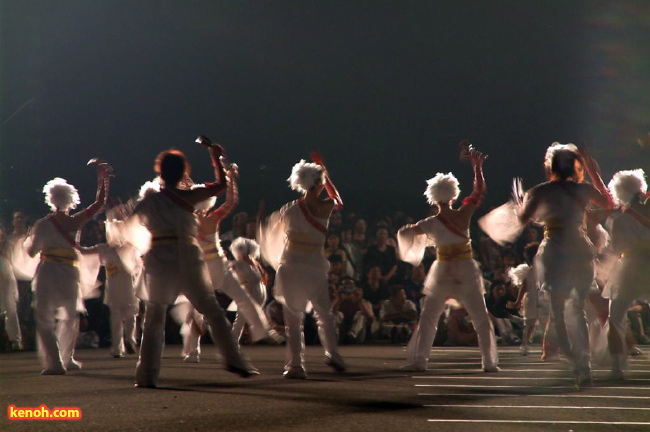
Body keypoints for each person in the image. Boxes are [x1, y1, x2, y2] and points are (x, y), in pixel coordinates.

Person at [124, 143, 257, 388]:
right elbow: (221, 187)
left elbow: (128, 227)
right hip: (187, 257)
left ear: (161, 174)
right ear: (179, 173)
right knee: (212, 311)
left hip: (160, 258)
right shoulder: (188, 196)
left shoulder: (150, 202)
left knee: (154, 317)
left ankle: (145, 376)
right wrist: (215, 158)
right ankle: (235, 360)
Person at [517, 143, 612, 387]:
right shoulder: (583, 190)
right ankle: (583, 365)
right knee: (578, 308)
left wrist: (521, 201)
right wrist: (591, 168)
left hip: (556, 247)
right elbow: (608, 202)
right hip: (579, 247)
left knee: (557, 311)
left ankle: (571, 355)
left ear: (551, 166)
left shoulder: (540, 191)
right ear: (575, 166)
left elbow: (522, 219)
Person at [399, 145, 499, 372]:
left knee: (429, 318)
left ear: (433, 198)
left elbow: (407, 233)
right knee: (480, 318)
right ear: (453, 194)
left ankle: (419, 361)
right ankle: (489, 362)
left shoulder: (429, 223)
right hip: (465, 269)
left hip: (442, 270)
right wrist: (477, 168)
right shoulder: (463, 214)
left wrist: (405, 234)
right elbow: (479, 192)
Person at [258, 156, 346, 379]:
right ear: (319, 184)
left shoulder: (288, 209)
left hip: (290, 266)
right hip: (314, 267)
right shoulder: (326, 206)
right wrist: (326, 174)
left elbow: (272, 232)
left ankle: (295, 365)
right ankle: (333, 354)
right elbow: (338, 200)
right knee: (324, 315)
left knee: (293, 320)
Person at [25, 164, 111, 375]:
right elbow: (99, 203)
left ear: (51, 199)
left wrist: (28, 240)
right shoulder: (75, 221)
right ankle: (68, 358)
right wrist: (103, 178)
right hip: (70, 272)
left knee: (44, 317)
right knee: (70, 316)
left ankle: (55, 363)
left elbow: (31, 252)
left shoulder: (42, 224)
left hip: (48, 271)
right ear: (71, 200)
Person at [603, 169, 650, 379]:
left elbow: (615, 246)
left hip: (629, 264)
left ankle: (617, 367)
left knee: (616, 316)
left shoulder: (618, 219)